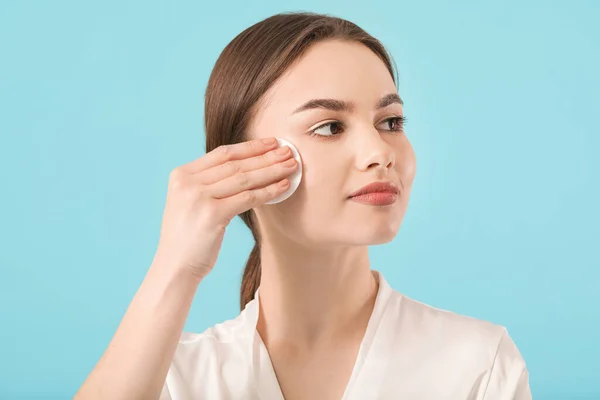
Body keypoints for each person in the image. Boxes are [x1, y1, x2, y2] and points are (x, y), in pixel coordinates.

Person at [74, 12, 532, 400]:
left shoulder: (478, 365)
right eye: (330, 127)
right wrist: (176, 267)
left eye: (390, 121)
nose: (380, 151)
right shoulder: (173, 379)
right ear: (242, 161)